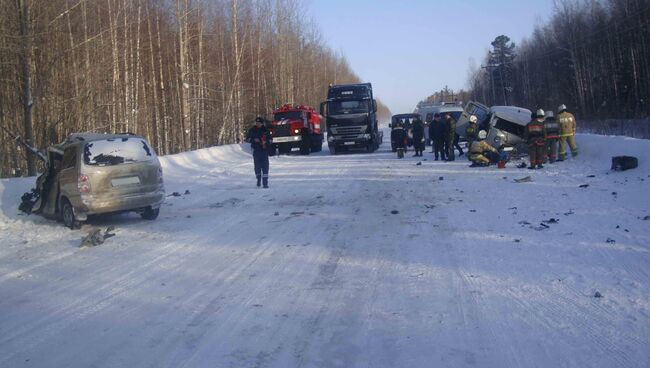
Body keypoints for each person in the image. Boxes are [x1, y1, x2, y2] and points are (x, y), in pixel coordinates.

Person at [246, 117, 272, 188]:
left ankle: (265, 183)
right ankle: (258, 179)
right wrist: (254, 140)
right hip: (256, 151)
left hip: (264, 151)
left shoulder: (266, 131)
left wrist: (265, 142)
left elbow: (271, 140)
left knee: (265, 167)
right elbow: (247, 139)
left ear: (262, 123)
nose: (258, 124)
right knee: (257, 167)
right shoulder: (252, 130)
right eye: (257, 123)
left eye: (259, 123)